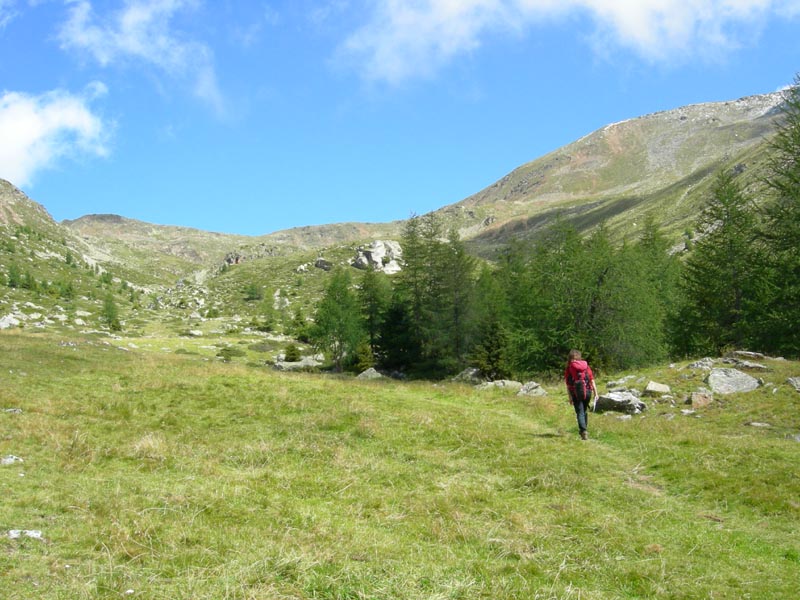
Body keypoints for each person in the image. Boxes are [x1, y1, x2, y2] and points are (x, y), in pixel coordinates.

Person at [564, 349, 599, 440]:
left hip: (576, 392)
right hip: (588, 391)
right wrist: (596, 393)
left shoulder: (569, 368)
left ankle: (583, 431)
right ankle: (584, 430)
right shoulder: (586, 366)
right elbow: (592, 380)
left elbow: (568, 384)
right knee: (584, 410)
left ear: (570, 358)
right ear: (580, 357)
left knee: (579, 412)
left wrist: (570, 397)